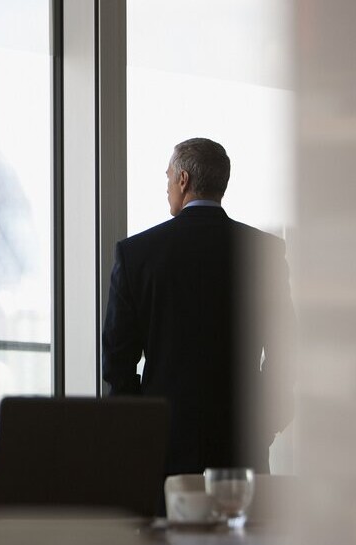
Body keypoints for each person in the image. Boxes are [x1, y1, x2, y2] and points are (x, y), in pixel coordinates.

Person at [102, 138, 295, 476]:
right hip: (242, 439)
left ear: (183, 180)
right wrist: (267, 421)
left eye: (168, 177)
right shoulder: (264, 252)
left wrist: (140, 427)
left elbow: (118, 360)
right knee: (242, 528)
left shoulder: (137, 255)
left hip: (166, 443)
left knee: (166, 527)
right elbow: (286, 348)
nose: (166, 188)